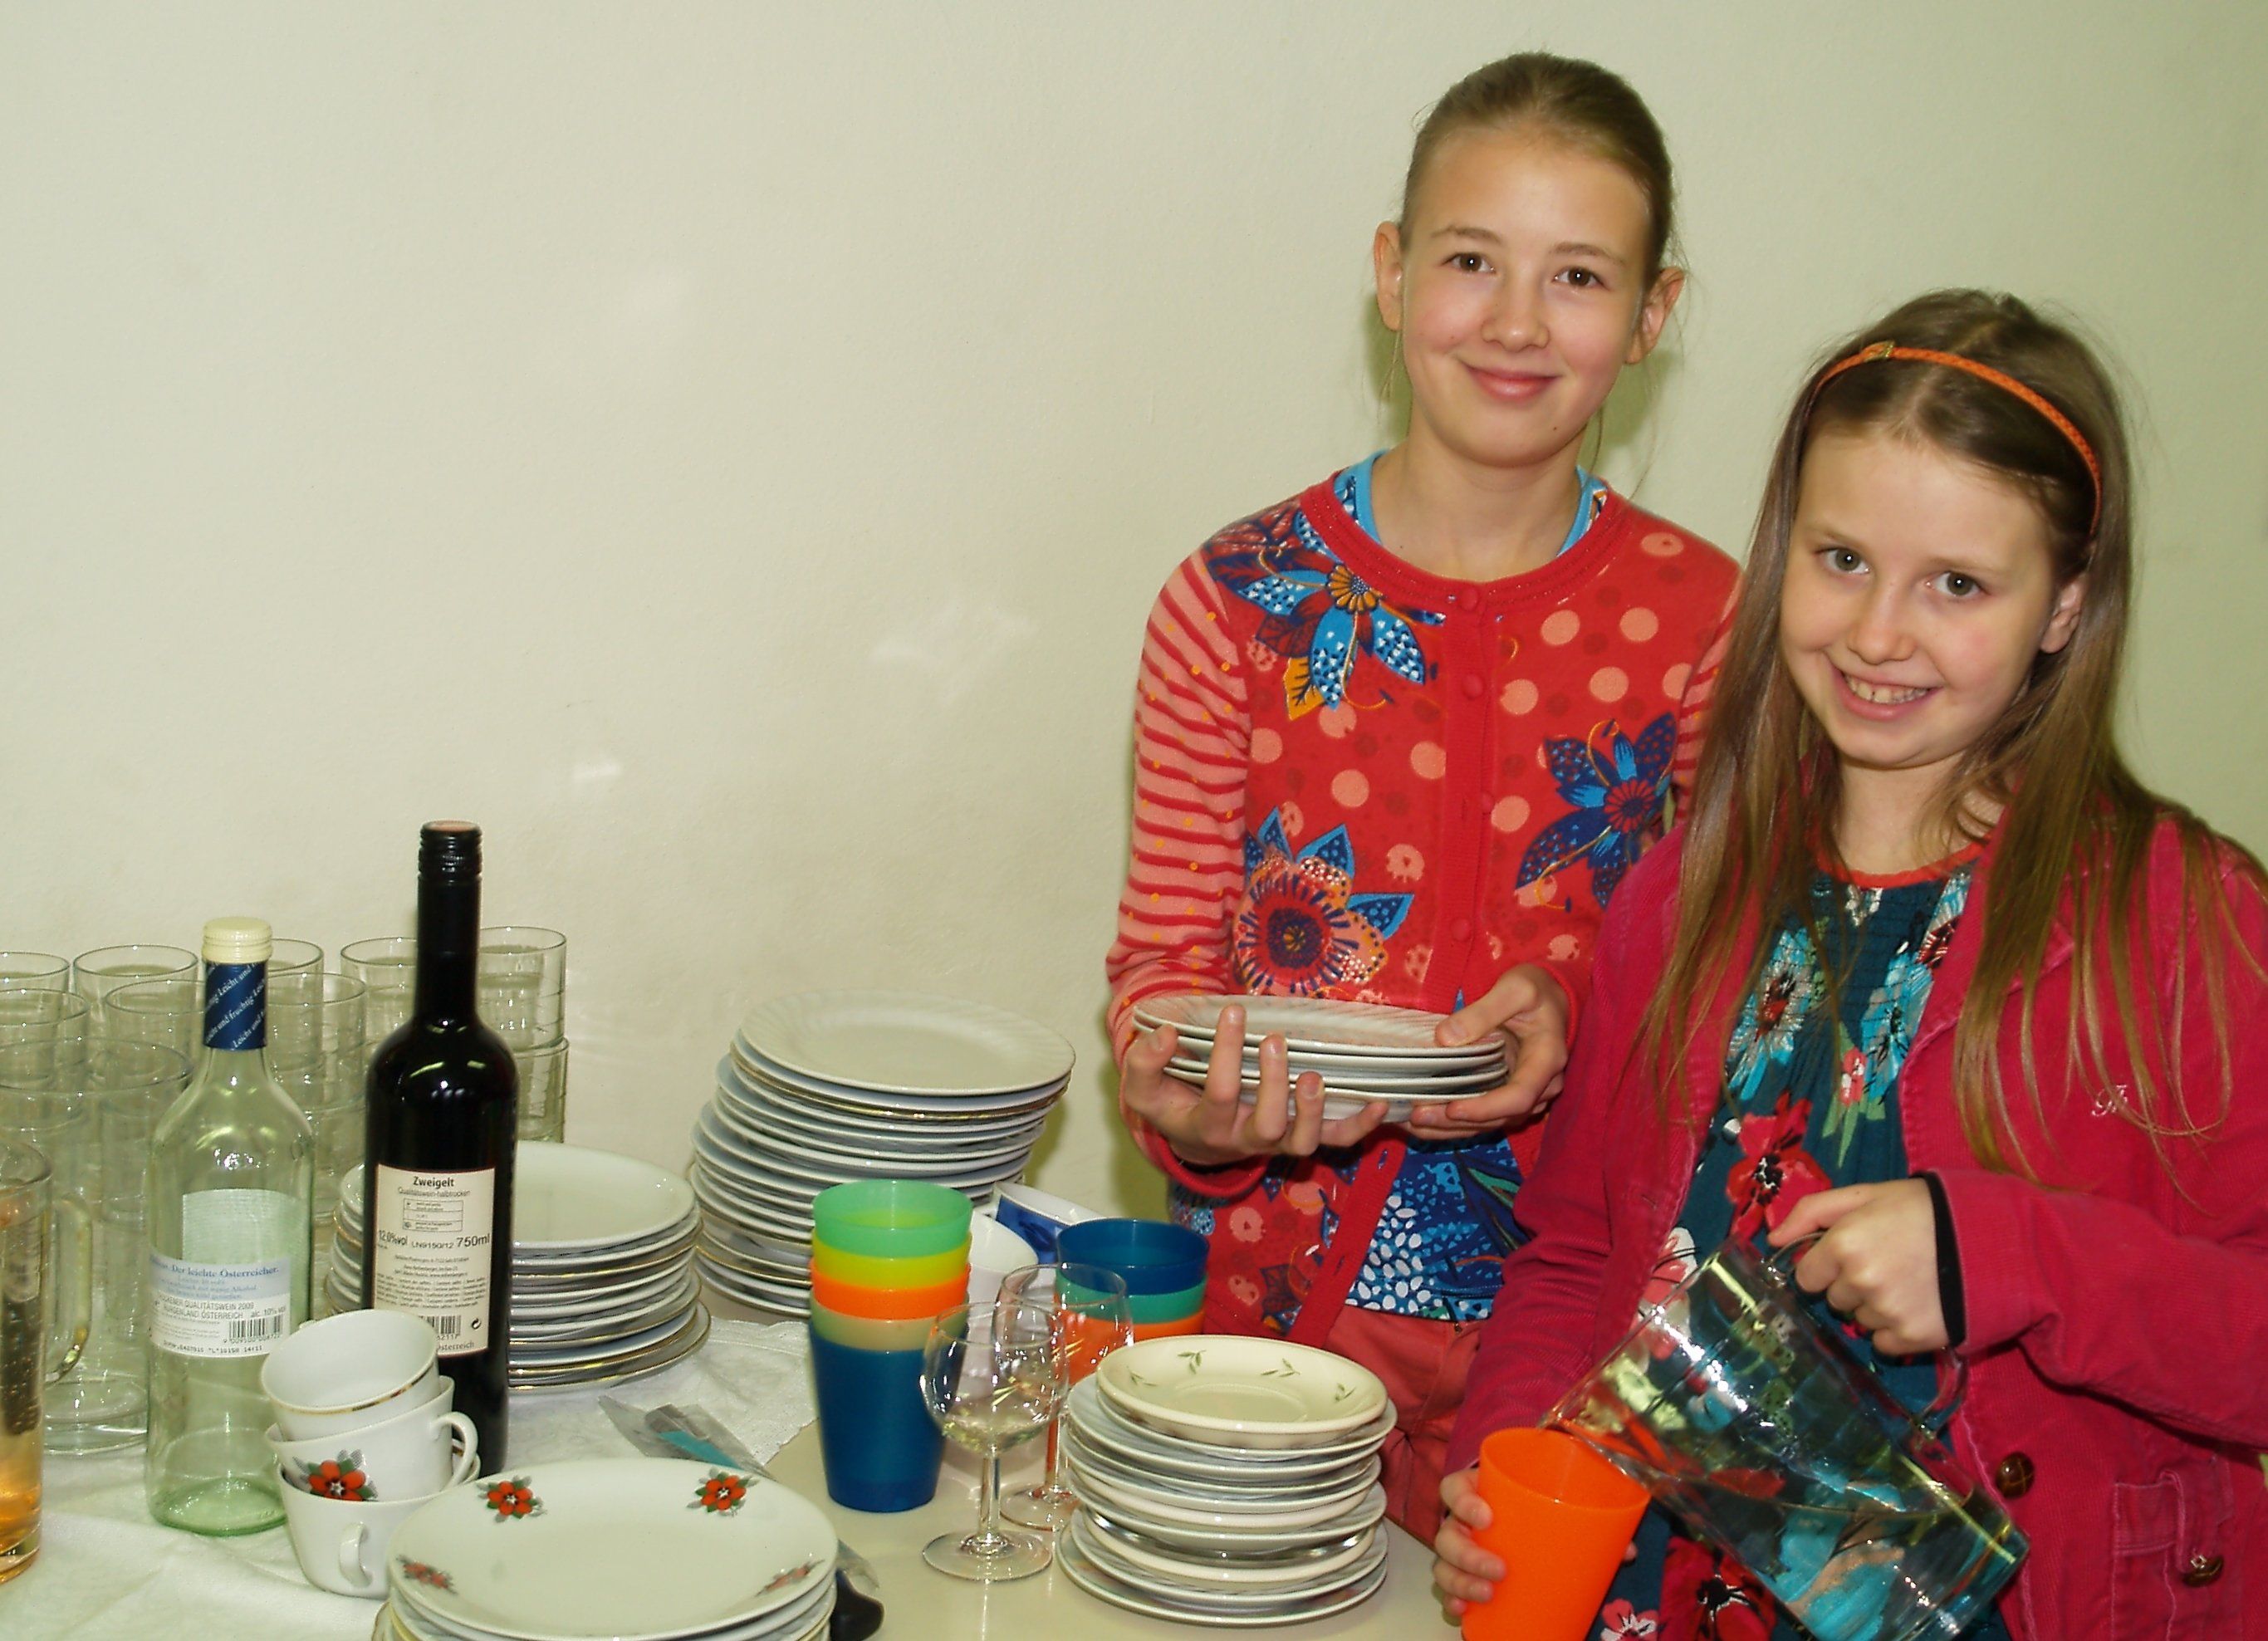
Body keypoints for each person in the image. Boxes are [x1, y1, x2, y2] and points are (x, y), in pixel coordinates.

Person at [1432, 288, 2268, 1637]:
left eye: (1958, 585)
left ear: (2066, 603)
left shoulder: (2183, 926)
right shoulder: (1683, 894)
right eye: (1840, 560)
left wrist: (2012, 1256)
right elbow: (1577, 1252)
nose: (1879, 635)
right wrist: (1507, 1455)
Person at [1103, 51, 1738, 1539]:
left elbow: (1728, 968)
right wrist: (1187, 1101)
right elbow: (1159, 977)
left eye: (1579, 276)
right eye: (1470, 260)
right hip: (1268, 1328)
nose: (1516, 322)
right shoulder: (1232, 603)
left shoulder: (1712, 621)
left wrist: (1570, 991)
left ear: (1652, 315)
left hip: (1577, 1338)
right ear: (1391, 275)